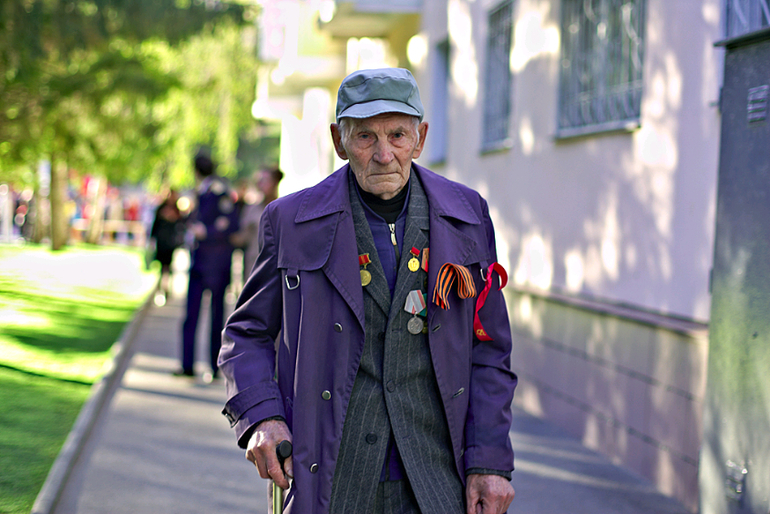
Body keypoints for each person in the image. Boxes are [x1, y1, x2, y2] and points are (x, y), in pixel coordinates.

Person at [220, 68, 517, 513]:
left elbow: (490, 350)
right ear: (340, 142)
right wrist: (262, 416)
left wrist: (490, 461)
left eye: (397, 135)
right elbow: (245, 334)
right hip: (332, 476)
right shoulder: (290, 221)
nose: (383, 154)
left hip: (438, 477)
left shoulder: (467, 215)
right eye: (364, 137)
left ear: (420, 139)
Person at [177, 153, 239, 380]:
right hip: (199, 261)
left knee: (215, 316)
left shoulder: (219, 192)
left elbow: (230, 224)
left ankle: (213, 366)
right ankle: (187, 365)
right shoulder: (199, 192)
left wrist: (208, 232)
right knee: (191, 315)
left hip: (216, 262)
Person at [230, 167, 284, 279]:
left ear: (275, 182)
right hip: (254, 266)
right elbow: (242, 238)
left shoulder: (284, 209)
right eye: (259, 181)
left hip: (277, 268)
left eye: (265, 180)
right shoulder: (251, 209)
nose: (260, 184)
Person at [150, 188, 184, 305]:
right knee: (161, 267)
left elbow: (181, 224)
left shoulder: (176, 209)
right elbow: (155, 224)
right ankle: (159, 289)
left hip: (170, 243)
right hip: (162, 242)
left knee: (167, 268)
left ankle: (166, 289)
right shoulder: (161, 208)